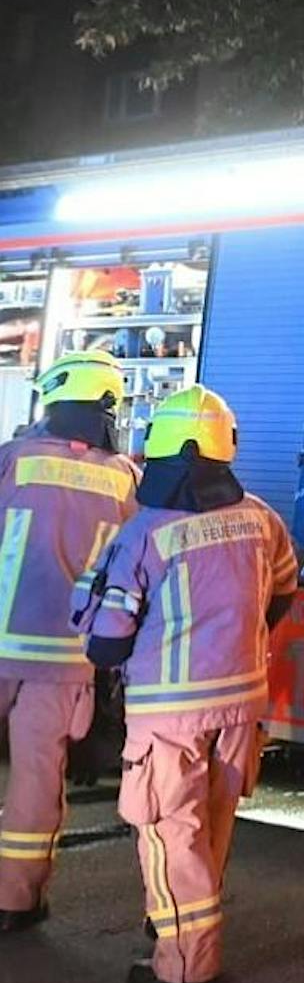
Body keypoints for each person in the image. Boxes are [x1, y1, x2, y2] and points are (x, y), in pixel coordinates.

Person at [75, 385, 298, 983]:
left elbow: (107, 642)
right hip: (242, 702)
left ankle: (184, 962)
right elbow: (284, 588)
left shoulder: (144, 532)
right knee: (214, 823)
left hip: (168, 714)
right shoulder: (259, 517)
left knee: (170, 830)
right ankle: (182, 926)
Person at [0, 350, 137, 935]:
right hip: (65, 658)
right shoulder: (127, 477)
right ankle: (15, 899)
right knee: (37, 773)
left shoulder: (14, 459)